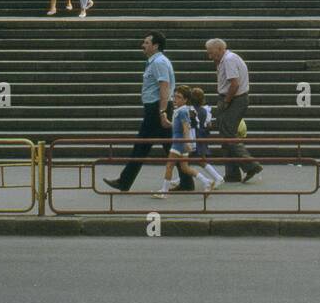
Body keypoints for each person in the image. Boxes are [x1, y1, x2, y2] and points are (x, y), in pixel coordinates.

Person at [105, 32, 191, 193]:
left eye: (146, 42)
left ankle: (124, 182)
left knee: (142, 146)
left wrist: (162, 111)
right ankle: (187, 182)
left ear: (155, 45)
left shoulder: (159, 62)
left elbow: (164, 86)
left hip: (156, 109)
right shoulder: (155, 61)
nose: (142, 45)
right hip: (157, 108)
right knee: (169, 148)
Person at [207, 38, 262, 183]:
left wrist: (226, 101)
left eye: (211, 53)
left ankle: (251, 165)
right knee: (225, 135)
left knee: (228, 135)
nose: (210, 56)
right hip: (234, 99)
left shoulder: (228, 60)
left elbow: (234, 84)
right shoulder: (228, 58)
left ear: (219, 49)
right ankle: (232, 173)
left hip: (234, 100)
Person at [153, 85, 214, 197]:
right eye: (175, 96)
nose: (176, 99)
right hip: (180, 141)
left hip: (179, 142)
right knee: (184, 168)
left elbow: (186, 128)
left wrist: (187, 142)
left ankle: (164, 192)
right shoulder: (180, 110)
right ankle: (206, 181)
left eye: (179, 97)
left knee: (169, 165)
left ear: (186, 99)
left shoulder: (182, 111)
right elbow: (177, 127)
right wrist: (166, 120)